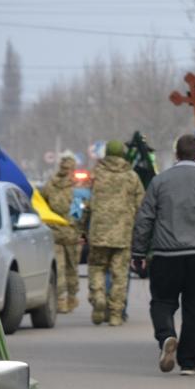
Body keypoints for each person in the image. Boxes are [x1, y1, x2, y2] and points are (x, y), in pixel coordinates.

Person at [132, 134, 195, 375]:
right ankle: (188, 362)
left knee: (162, 302)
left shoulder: (160, 181)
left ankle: (166, 335)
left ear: (176, 153)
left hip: (166, 255)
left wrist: (139, 251)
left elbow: (145, 218)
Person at [87, 140, 144, 327]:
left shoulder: (97, 175)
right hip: (123, 235)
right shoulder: (132, 177)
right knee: (120, 275)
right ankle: (116, 314)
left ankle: (98, 298)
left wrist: (81, 228)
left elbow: (88, 204)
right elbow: (141, 206)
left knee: (97, 268)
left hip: (99, 233)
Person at [41, 152, 82, 314]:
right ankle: (72, 298)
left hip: (54, 232)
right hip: (71, 233)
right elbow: (81, 211)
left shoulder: (50, 184)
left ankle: (60, 300)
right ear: (72, 169)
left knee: (58, 267)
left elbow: (42, 205)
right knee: (72, 267)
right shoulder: (77, 187)